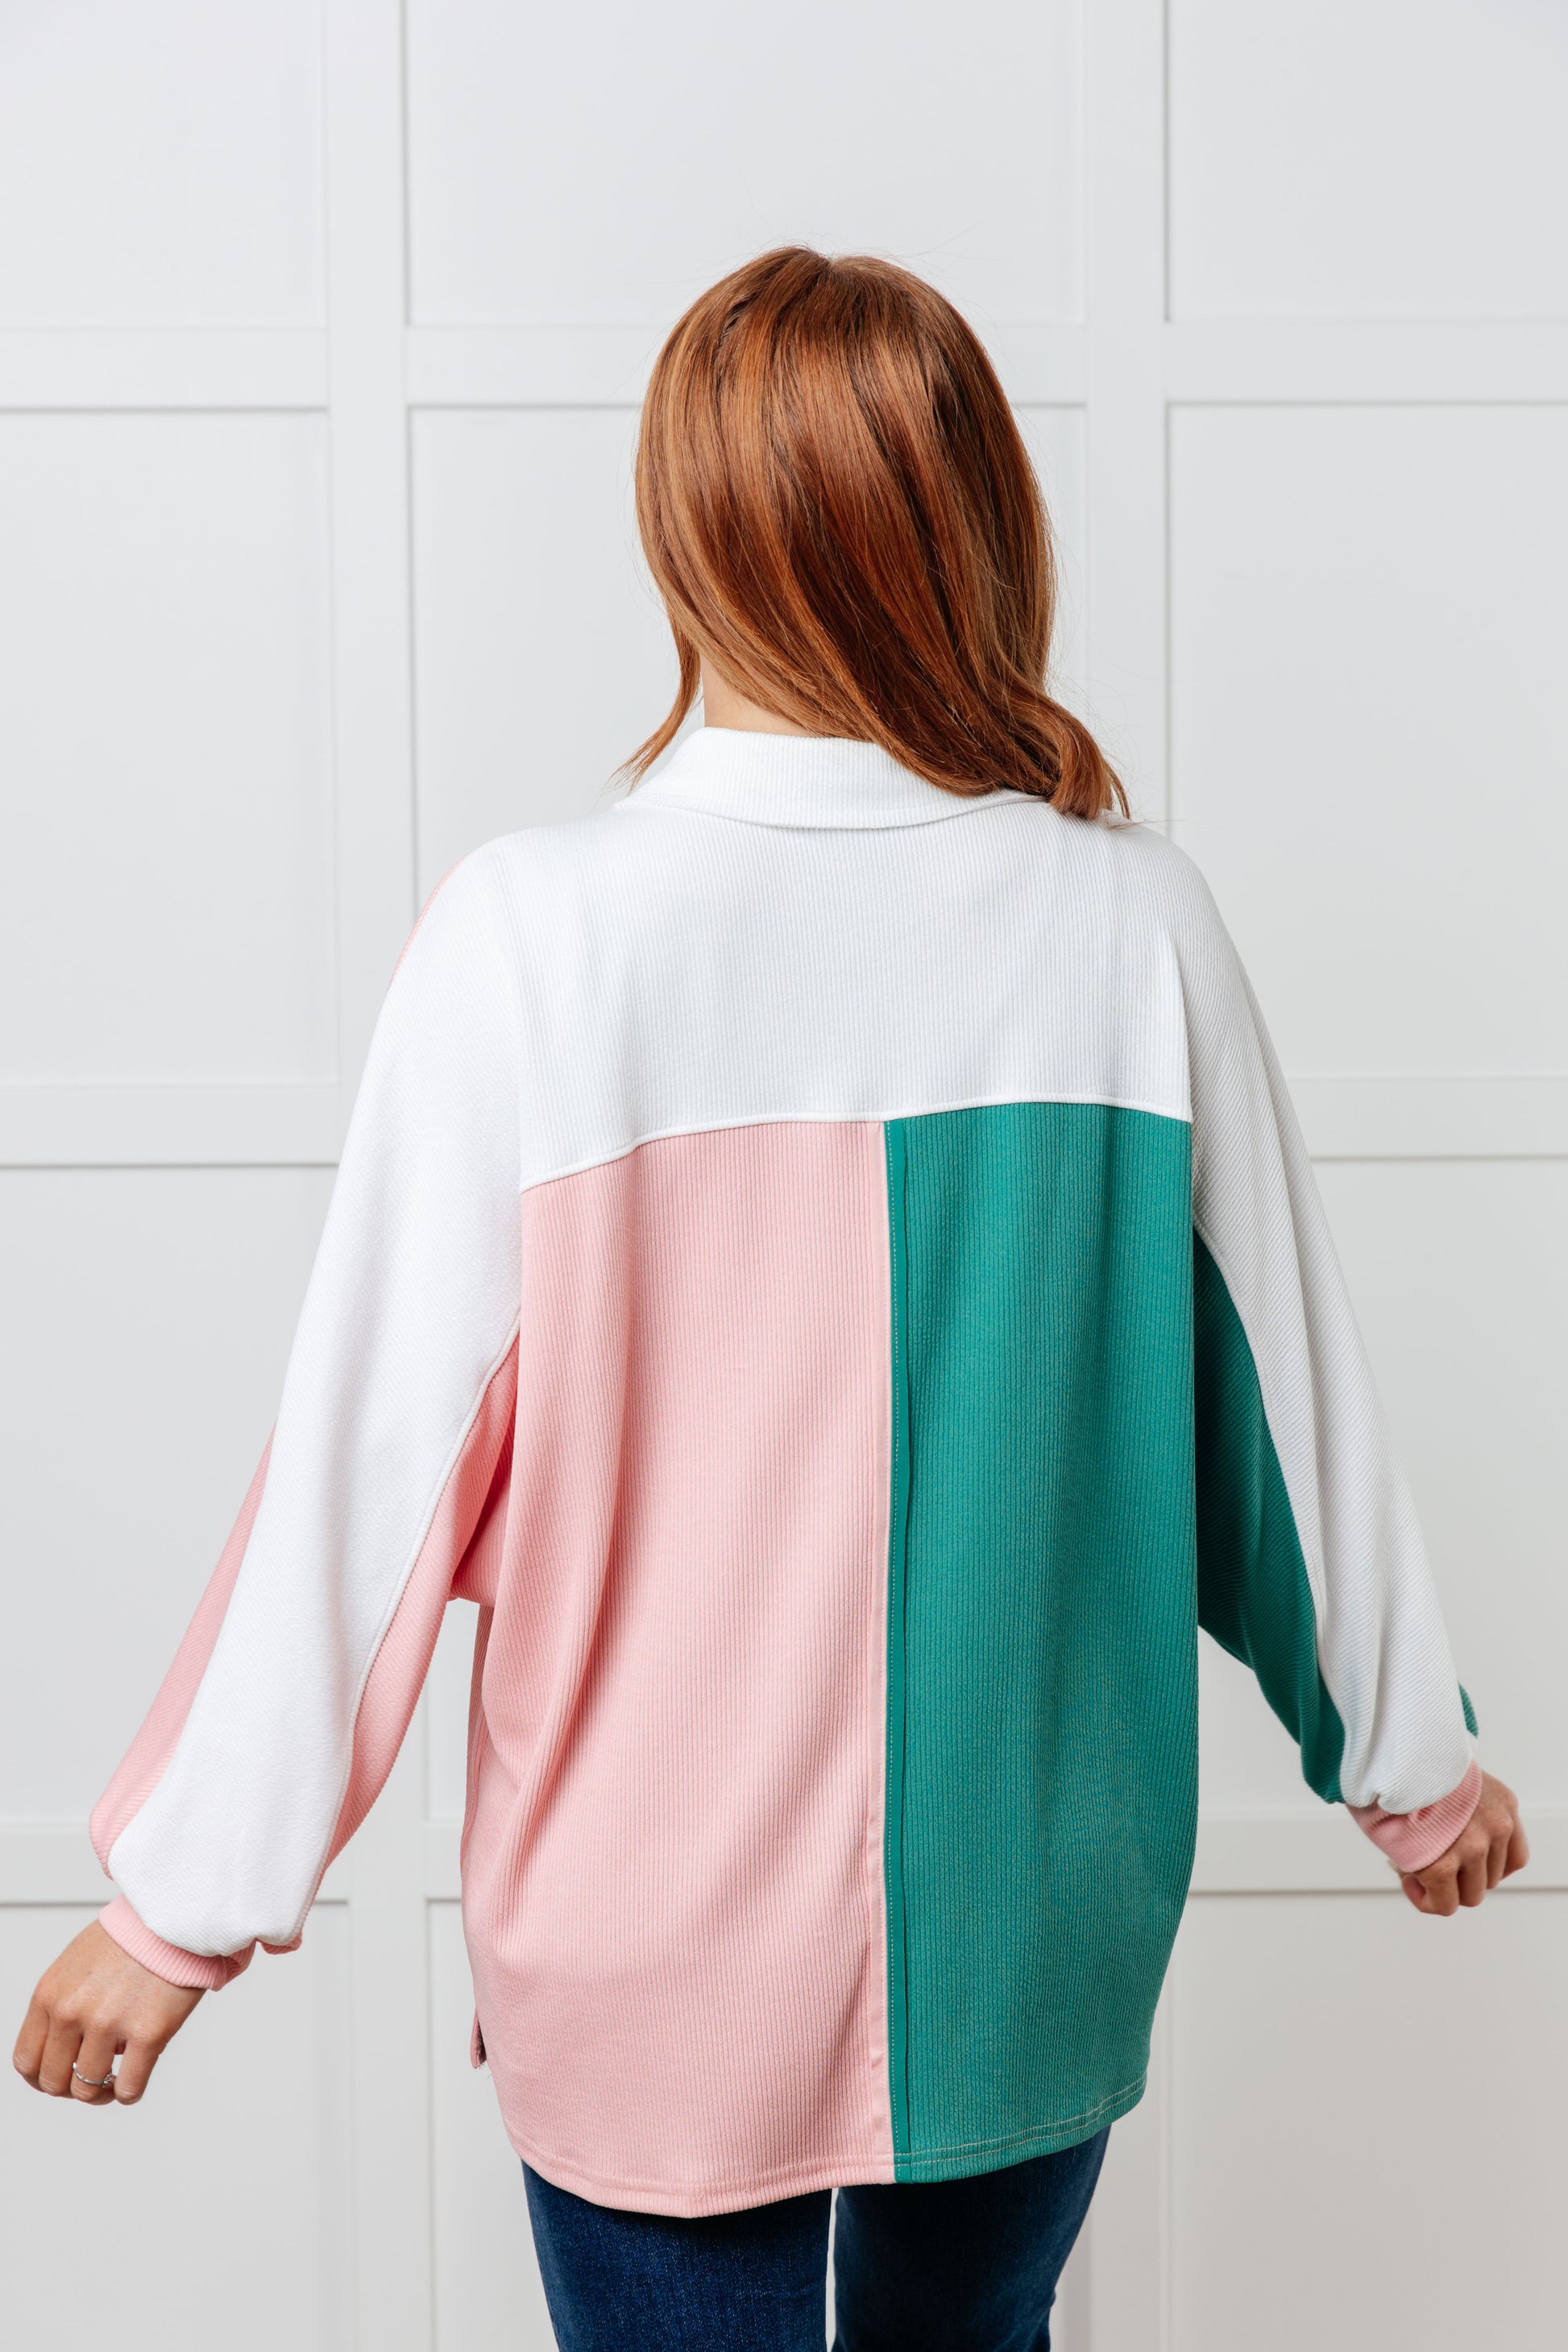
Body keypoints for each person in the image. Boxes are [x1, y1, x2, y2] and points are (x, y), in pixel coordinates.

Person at [14, 247, 1529, 2351]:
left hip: (651, 1939)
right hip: (1030, 1910)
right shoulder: (1129, 923)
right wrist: (1409, 1759)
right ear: (980, 522)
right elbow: (1278, 1414)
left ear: (681, 527)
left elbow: (374, 1469)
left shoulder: (538, 937)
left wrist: (181, 1904)